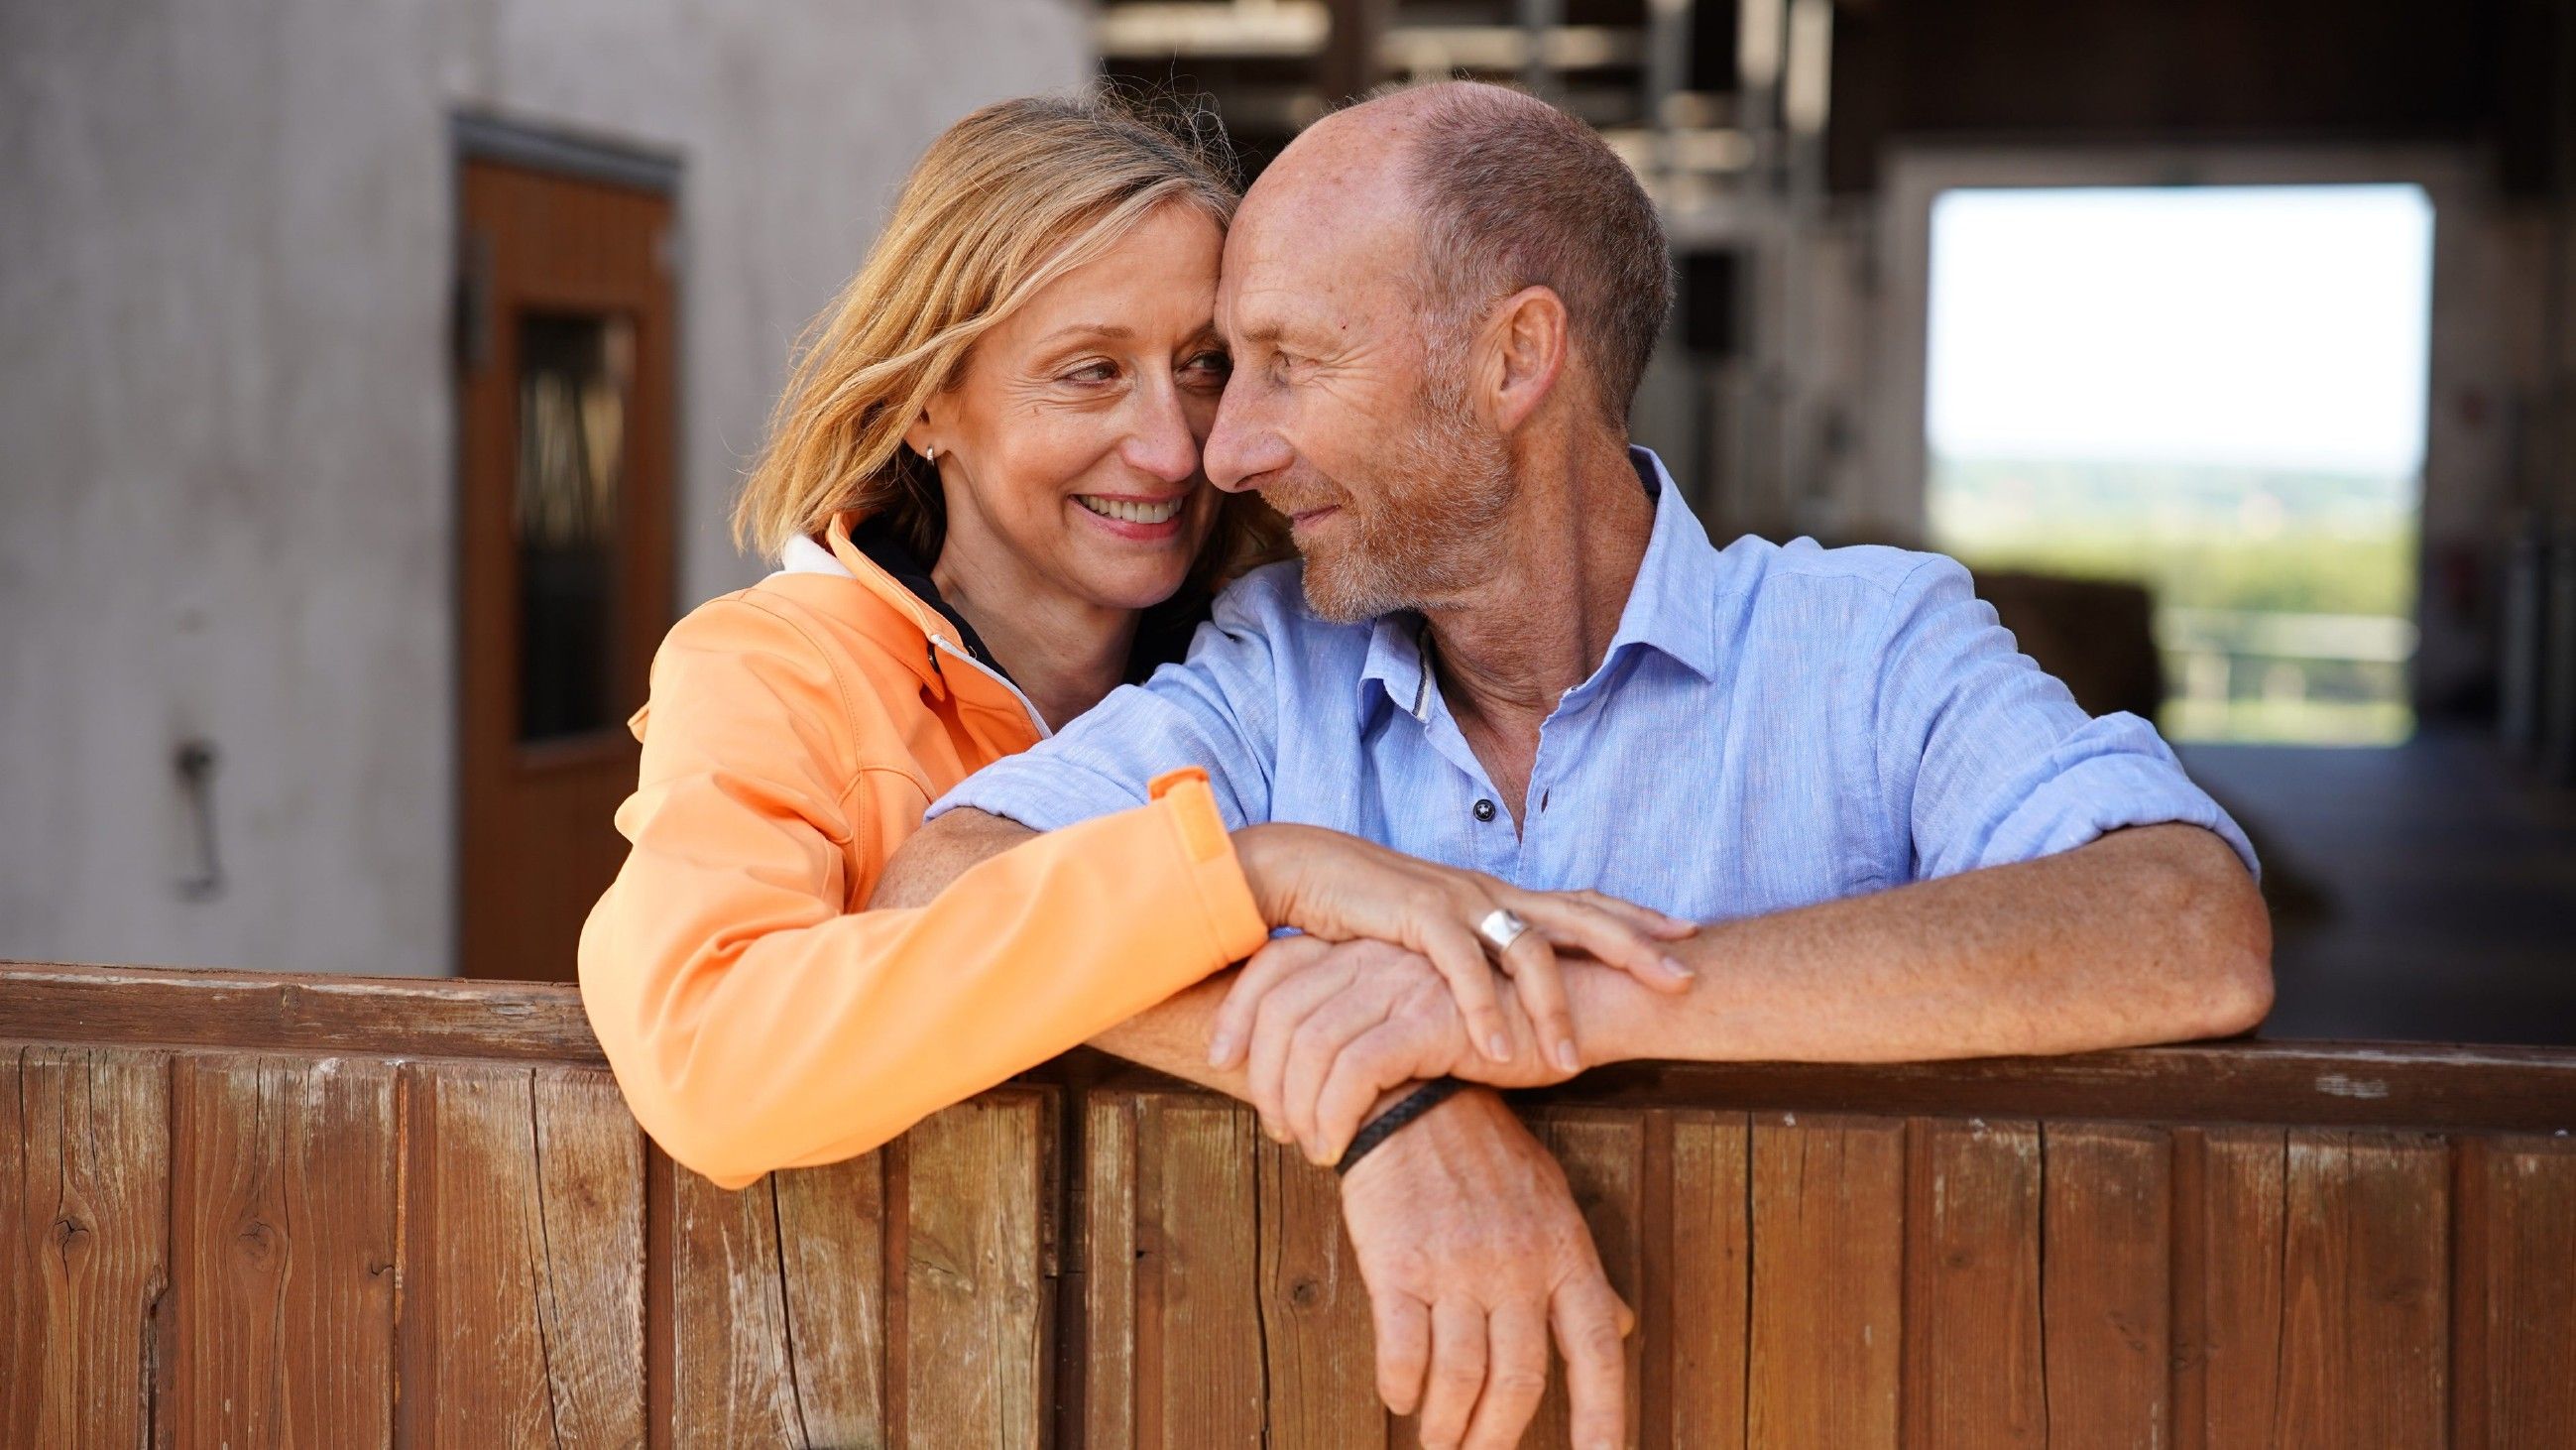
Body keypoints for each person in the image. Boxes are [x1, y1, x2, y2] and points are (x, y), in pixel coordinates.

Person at [877, 80, 2275, 1450]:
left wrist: (1552, 1005)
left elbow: (2187, 926)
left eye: (1289, 363)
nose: (1224, 450)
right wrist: (1388, 1090)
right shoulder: (1267, 666)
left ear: (1512, 357)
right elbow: (935, 887)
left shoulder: (1866, 641)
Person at [577, 90, 1693, 1230]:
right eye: (1090, 372)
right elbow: (714, 1057)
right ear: (925, 402)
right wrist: (1251, 877)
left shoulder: (1311, 659)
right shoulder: (775, 673)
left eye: (1206, 366)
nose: (1174, 448)